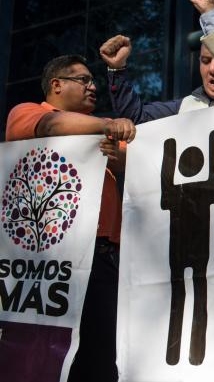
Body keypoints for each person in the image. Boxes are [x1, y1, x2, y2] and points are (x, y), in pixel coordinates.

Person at [5, 54, 136, 382]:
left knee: (101, 355)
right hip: (48, 263)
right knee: (43, 351)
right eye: (84, 80)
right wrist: (107, 125)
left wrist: (122, 156)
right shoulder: (27, 113)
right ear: (56, 85)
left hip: (104, 258)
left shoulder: (101, 135)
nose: (93, 87)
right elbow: (51, 126)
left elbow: (134, 166)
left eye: (93, 81)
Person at [99, 35, 214, 124]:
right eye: (206, 61)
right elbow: (135, 117)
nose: (213, 69)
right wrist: (117, 68)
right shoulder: (183, 106)